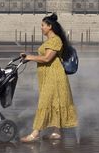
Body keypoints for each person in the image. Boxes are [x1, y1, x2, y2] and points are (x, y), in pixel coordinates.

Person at [20, 13, 78, 142]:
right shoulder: (50, 41)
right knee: (54, 102)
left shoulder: (55, 40)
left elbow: (47, 58)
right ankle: (56, 132)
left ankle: (35, 134)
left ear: (49, 26)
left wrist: (29, 57)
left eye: (42, 25)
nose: (41, 28)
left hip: (54, 76)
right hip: (48, 75)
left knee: (45, 102)